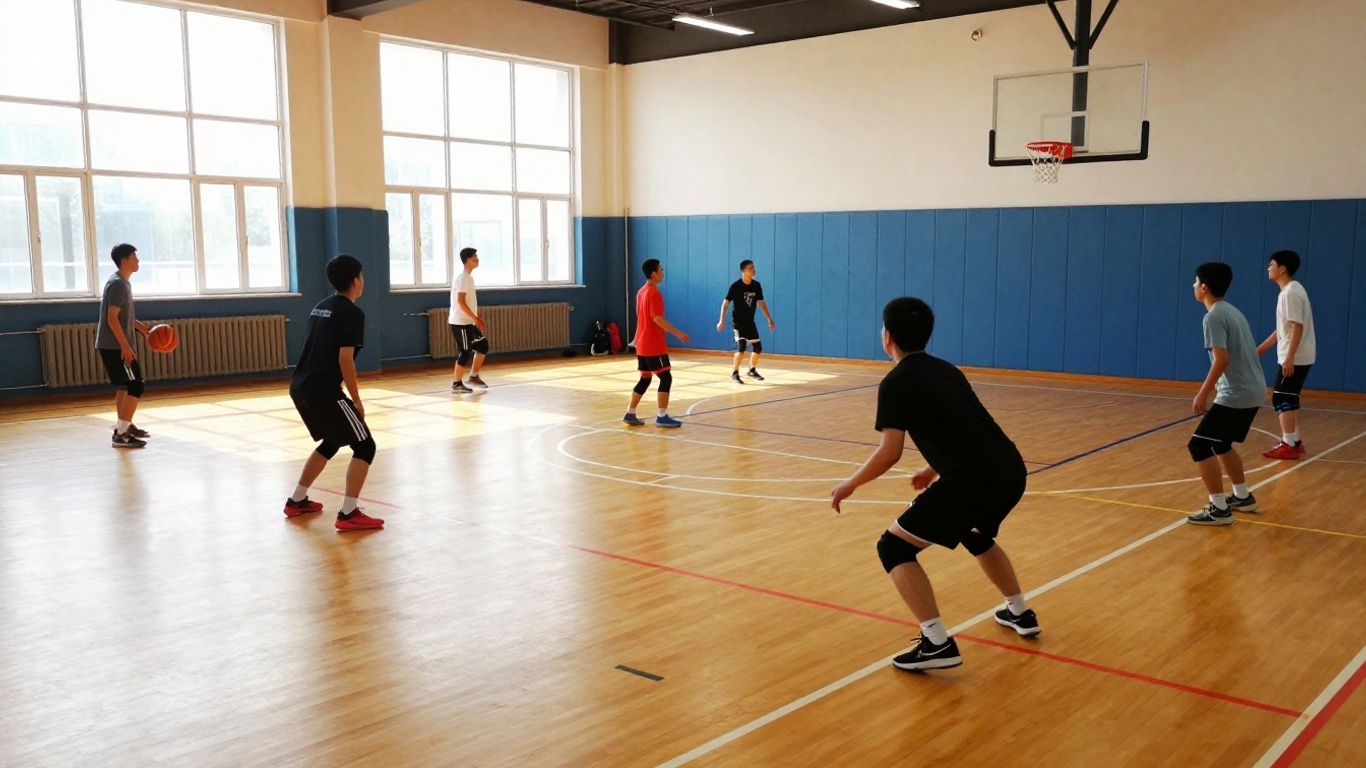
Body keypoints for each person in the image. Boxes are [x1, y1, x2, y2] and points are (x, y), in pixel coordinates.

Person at [831, 297, 1037, 672]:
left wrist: (851, 483)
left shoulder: (895, 383)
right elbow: (969, 428)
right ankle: (1020, 613)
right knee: (975, 534)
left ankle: (936, 643)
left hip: (972, 479)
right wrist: (932, 468)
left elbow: (889, 452)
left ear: (887, 337)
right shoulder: (947, 370)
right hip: (1010, 470)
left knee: (893, 547)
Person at [284, 254, 384, 531]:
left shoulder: (321, 306)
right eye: (362, 277)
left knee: (332, 440)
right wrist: (356, 400)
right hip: (323, 389)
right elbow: (345, 359)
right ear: (356, 281)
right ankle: (349, 513)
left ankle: (297, 499)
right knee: (365, 445)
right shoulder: (352, 313)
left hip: (300, 386)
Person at [1186, 262, 1266, 524]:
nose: (1194, 286)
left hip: (1237, 393)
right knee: (1220, 444)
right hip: (1253, 390)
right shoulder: (1231, 311)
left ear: (1205, 286)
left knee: (1198, 445)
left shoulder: (1213, 317)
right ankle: (1242, 497)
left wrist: (1203, 393)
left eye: (1196, 282)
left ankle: (1218, 509)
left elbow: (1221, 360)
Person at [1255, 250, 1315, 460]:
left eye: (1271, 264)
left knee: (1280, 397)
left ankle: (1288, 444)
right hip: (1299, 354)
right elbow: (1284, 328)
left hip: (1295, 356)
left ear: (1282, 268)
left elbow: (1297, 327)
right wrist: (1261, 348)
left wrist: (1289, 357)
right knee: (1291, 397)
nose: (1268, 268)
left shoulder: (1290, 293)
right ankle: (1295, 441)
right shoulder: (1292, 290)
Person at [95, 243, 152, 449]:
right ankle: (121, 434)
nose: (138, 261)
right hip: (115, 346)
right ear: (124, 261)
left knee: (124, 385)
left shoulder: (121, 282)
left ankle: (124, 426)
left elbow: (120, 315)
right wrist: (125, 346)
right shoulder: (118, 284)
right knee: (136, 385)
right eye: (134, 257)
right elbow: (111, 319)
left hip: (111, 345)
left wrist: (138, 327)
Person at [624, 259, 689, 428]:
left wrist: (636, 340)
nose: (663, 272)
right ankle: (662, 416)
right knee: (665, 377)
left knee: (645, 378)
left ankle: (630, 413)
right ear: (653, 273)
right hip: (653, 345)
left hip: (642, 345)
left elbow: (640, 319)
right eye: (661, 269)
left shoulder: (641, 292)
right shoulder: (654, 293)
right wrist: (678, 333)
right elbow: (657, 318)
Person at [716, 259, 776, 383]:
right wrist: (721, 320)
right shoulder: (736, 286)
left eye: (753, 268)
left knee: (758, 347)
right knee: (741, 346)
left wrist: (769, 319)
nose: (753, 270)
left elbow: (761, 303)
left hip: (750, 322)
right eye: (750, 268)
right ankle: (735, 373)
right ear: (743, 271)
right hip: (738, 322)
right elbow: (725, 304)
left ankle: (752, 370)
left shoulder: (756, 285)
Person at [449, 247, 490, 394]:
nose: (477, 260)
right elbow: (460, 301)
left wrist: (474, 318)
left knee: (482, 346)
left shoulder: (468, 277)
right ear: (467, 261)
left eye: (476, 257)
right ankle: (457, 383)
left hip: (468, 322)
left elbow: (466, 301)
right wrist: (475, 318)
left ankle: (473, 377)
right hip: (460, 322)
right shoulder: (464, 278)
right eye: (474, 258)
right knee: (465, 351)